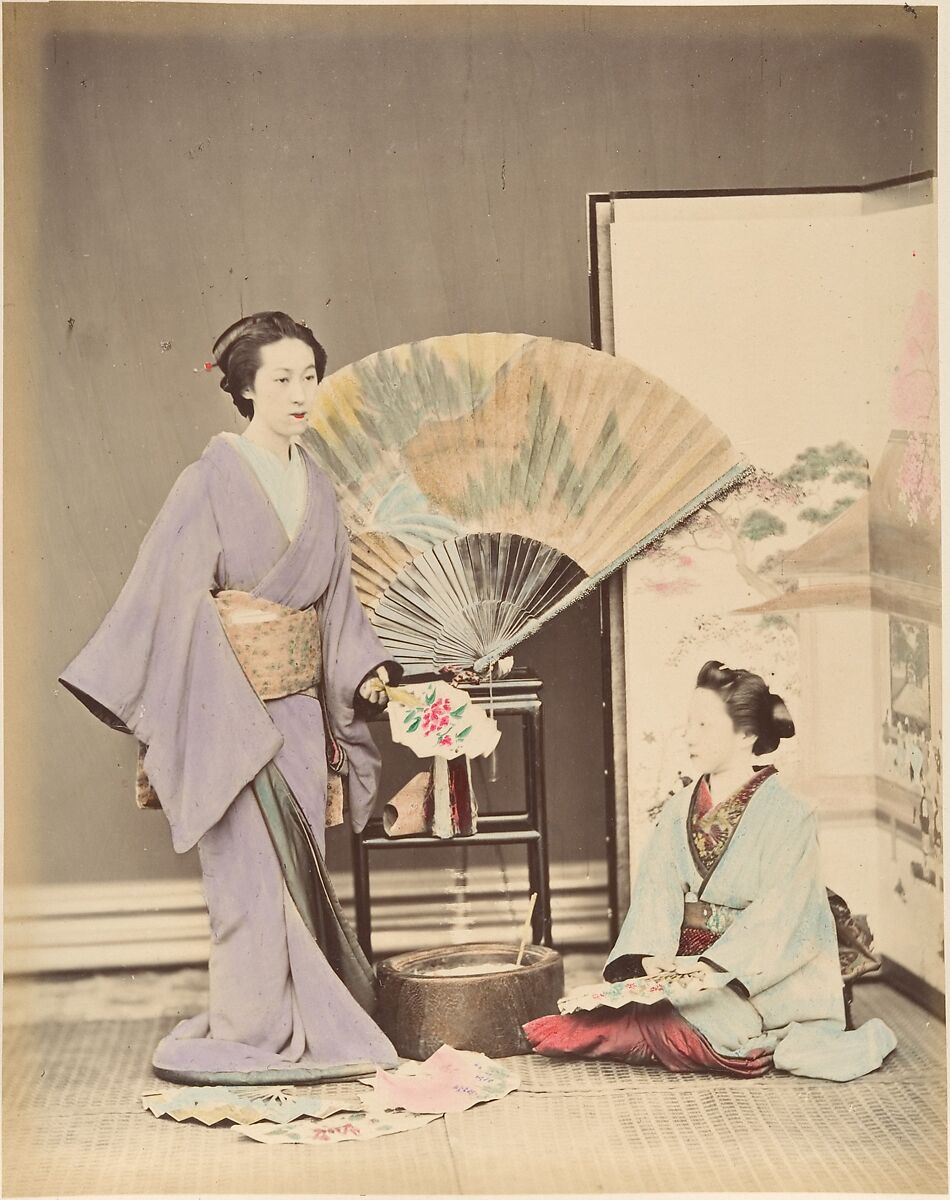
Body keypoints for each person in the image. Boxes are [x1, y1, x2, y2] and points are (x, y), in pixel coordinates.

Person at [60, 311, 402, 1084]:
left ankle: (312, 1021)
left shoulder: (316, 485)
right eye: (281, 378)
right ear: (243, 388)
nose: (299, 392)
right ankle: (251, 1029)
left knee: (301, 872)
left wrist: (366, 674)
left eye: (308, 376)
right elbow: (167, 598)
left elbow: (338, 607)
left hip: (299, 717)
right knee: (247, 883)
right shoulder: (207, 480)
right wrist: (228, 681)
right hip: (226, 713)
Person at [524, 661, 897, 1081]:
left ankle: (693, 1034)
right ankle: (650, 1026)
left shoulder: (791, 813)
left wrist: (715, 967)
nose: (689, 736)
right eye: (688, 724)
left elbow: (784, 914)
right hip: (684, 964)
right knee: (619, 1009)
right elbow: (656, 893)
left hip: (758, 975)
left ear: (747, 734)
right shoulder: (678, 808)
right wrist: (649, 960)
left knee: (707, 1028)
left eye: (703, 725)